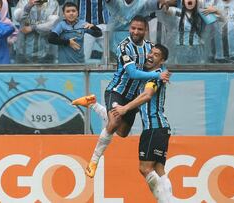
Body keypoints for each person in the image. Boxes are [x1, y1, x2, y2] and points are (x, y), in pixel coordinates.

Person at [72, 15, 170, 178]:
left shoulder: (150, 48)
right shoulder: (123, 47)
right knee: (115, 121)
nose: (136, 32)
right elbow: (132, 72)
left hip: (133, 98)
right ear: (129, 29)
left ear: (145, 31)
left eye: (139, 29)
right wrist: (158, 76)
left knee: (122, 132)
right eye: (133, 28)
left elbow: (159, 64)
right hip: (117, 91)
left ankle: (93, 103)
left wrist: (163, 74)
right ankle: (94, 161)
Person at [112, 43, 172, 203]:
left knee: (145, 168)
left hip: (154, 128)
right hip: (161, 128)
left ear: (162, 61)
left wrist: (125, 108)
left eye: (156, 55)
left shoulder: (155, 75)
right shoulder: (153, 75)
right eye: (150, 52)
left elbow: (146, 95)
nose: (151, 56)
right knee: (159, 170)